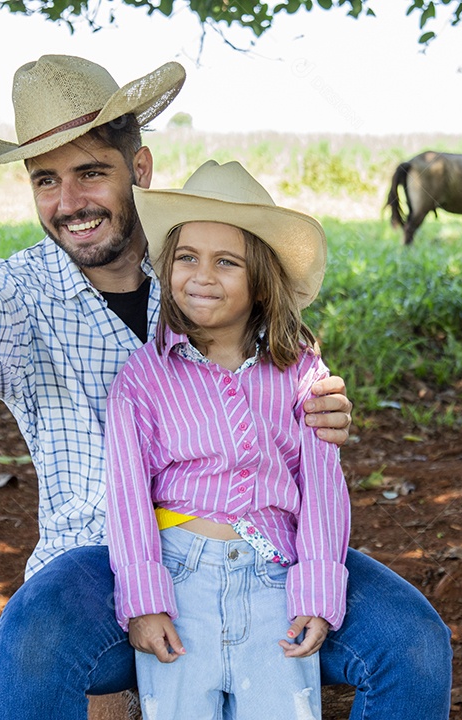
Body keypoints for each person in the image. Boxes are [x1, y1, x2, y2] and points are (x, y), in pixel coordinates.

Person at [0, 55, 452, 720]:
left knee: (412, 643)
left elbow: (291, 394)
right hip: (101, 562)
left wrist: (319, 410)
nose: (69, 203)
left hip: (263, 548)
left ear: (138, 172)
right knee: (37, 631)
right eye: (45, 181)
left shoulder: (213, 268)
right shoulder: (23, 294)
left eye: (90, 173)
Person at [105, 160, 348, 719]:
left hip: (274, 577)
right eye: (187, 258)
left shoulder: (301, 372)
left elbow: (322, 487)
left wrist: (315, 590)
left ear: (260, 278)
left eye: (226, 262)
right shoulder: (143, 377)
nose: (202, 275)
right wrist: (145, 600)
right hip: (180, 574)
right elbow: (126, 496)